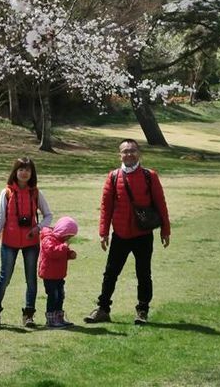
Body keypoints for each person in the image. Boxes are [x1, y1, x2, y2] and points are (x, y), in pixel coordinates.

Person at [84, 138, 171, 325]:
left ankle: (142, 311)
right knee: (110, 273)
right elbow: (105, 207)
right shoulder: (113, 176)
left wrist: (165, 230)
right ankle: (103, 309)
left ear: (138, 153)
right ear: (120, 155)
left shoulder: (150, 176)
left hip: (143, 235)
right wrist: (103, 232)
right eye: (125, 151)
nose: (129, 154)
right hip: (120, 234)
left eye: (132, 151)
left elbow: (160, 204)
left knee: (143, 273)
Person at [0, 156, 53, 328]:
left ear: (32, 173)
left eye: (28, 170)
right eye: (21, 169)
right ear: (15, 172)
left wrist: (37, 228)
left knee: (31, 279)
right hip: (9, 242)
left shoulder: (36, 192)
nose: (24, 173)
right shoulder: (6, 193)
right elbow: (0, 218)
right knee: (4, 278)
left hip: (31, 243)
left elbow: (48, 215)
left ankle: (29, 314)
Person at [38, 216, 78, 328]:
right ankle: (51, 320)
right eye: (68, 236)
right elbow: (53, 252)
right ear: (63, 231)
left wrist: (70, 254)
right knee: (53, 296)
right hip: (50, 275)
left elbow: (61, 253)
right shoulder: (48, 239)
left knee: (60, 295)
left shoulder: (60, 241)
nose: (68, 238)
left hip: (59, 275)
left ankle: (59, 317)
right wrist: (65, 248)